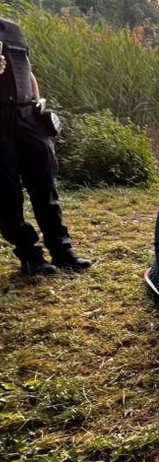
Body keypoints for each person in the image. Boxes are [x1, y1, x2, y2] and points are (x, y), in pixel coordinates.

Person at [0, 17, 90, 275]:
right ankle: (31, 257)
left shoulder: (12, 29)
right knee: (7, 197)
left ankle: (63, 252)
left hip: (29, 118)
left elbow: (26, 69)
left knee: (45, 188)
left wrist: (37, 100)